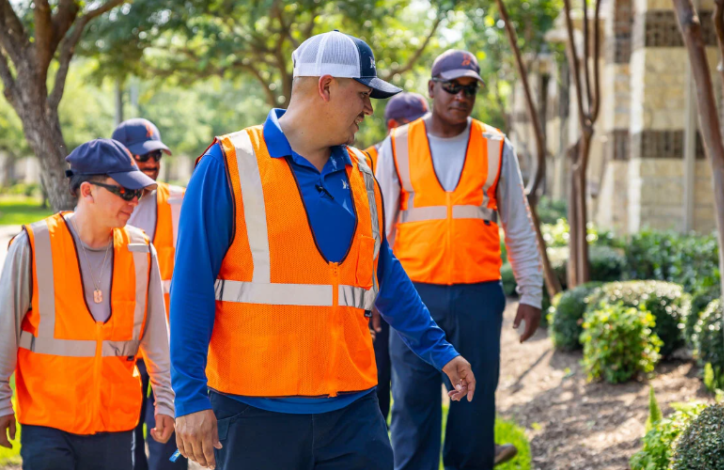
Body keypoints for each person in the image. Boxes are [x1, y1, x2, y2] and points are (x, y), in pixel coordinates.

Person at [169, 31, 477, 470]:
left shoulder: (362, 173)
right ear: (326, 86)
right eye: (363, 95)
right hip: (253, 413)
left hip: (352, 414)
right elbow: (191, 287)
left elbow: (384, 274)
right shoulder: (228, 163)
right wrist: (189, 398)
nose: (369, 109)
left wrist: (440, 351)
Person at [375, 49, 544, 470]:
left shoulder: (495, 145)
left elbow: (518, 225)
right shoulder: (398, 145)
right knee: (411, 409)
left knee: (474, 408)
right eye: (452, 87)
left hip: (478, 297)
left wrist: (531, 292)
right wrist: (370, 296)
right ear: (432, 88)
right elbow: (376, 230)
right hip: (413, 298)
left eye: (470, 89)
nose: (461, 96)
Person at [0, 139, 176, 469]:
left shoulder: (141, 251)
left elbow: (157, 338)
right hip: (48, 424)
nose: (134, 201)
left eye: (137, 192)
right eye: (124, 191)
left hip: (117, 426)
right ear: (87, 191)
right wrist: (1, 401)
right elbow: (4, 330)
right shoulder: (34, 245)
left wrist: (166, 400)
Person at [112, 119, 187, 470]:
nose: (152, 164)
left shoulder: (180, 202)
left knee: (167, 441)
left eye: (155, 156)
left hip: (168, 348)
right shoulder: (105, 207)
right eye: (142, 157)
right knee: (123, 440)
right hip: (120, 347)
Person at [361, 91, 429, 422]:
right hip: (377, 289)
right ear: (393, 126)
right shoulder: (364, 163)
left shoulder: (424, 164)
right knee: (378, 377)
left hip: (408, 287)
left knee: (410, 382)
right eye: (415, 125)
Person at [362, 92, 429, 173]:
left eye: (426, 125)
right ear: (392, 125)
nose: (424, 131)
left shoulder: (427, 158)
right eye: (415, 126)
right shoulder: (366, 161)